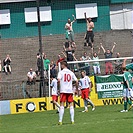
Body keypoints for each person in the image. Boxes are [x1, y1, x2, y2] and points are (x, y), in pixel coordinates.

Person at [57, 60, 78, 125]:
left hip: (63, 90)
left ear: (63, 65)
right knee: (71, 105)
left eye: (61, 65)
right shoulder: (71, 72)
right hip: (69, 90)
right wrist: (76, 89)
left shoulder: (61, 72)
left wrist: (58, 88)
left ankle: (60, 121)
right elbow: (77, 81)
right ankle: (72, 120)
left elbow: (58, 80)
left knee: (62, 105)